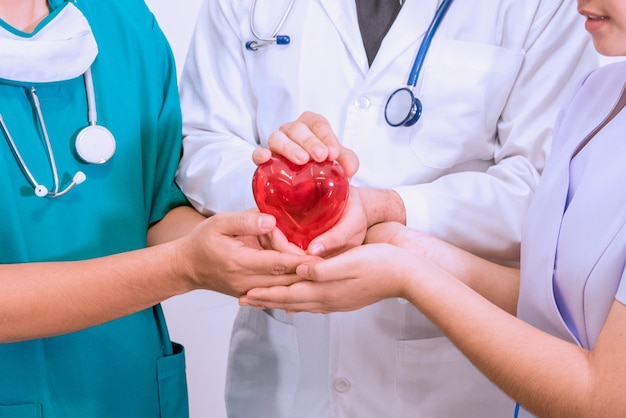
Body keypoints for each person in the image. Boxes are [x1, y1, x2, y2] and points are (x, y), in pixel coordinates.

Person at [175, 0, 598, 416]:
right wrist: (287, 193)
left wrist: (389, 209)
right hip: (282, 376)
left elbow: (544, 188)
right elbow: (202, 143)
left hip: (450, 384)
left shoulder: (547, 7)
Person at [0, 1, 315, 417]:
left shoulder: (122, 21)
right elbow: (178, 262)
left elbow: (156, 212)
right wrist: (183, 266)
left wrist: (249, 242)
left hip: (131, 391)